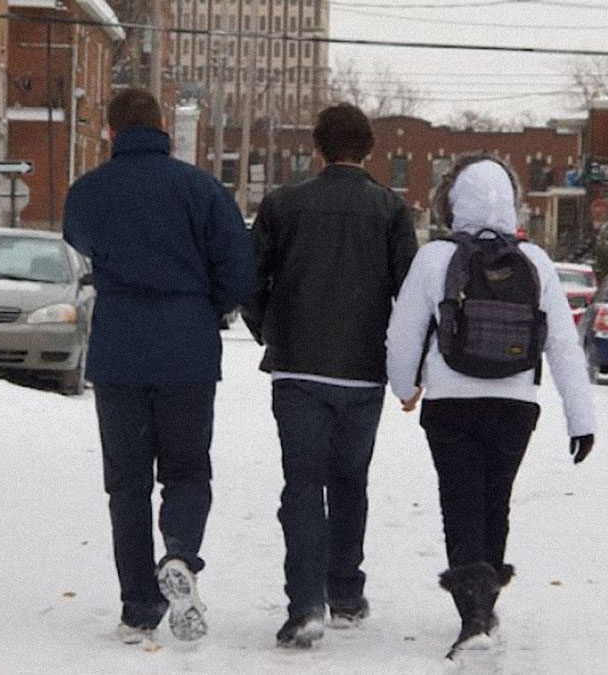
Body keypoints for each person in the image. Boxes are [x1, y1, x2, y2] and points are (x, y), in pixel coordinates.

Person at [63, 88, 254, 647]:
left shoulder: (89, 191)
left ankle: (138, 607)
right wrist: (206, 307)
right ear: (162, 124)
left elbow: (79, 241)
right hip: (187, 350)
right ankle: (180, 556)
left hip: (120, 349)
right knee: (188, 471)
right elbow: (237, 268)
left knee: (126, 485)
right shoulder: (200, 188)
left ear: (110, 129)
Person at [385, 155, 596, 659]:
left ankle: (473, 613)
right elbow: (565, 346)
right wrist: (581, 419)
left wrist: (404, 386)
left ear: (454, 202)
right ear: (512, 202)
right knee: (494, 500)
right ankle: (484, 601)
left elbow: (404, 333)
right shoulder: (538, 262)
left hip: (451, 401)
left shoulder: (436, 258)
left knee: (459, 502)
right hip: (515, 403)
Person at [242, 103, 418, 648]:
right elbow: (409, 297)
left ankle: (305, 605)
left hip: (296, 368)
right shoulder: (390, 211)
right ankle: (344, 588)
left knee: (302, 484)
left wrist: (271, 329)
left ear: (317, 148)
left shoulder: (282, 206)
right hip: (363, 373)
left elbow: (249, 283)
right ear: (369, 150)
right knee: (350, 481)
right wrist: (403, 367)